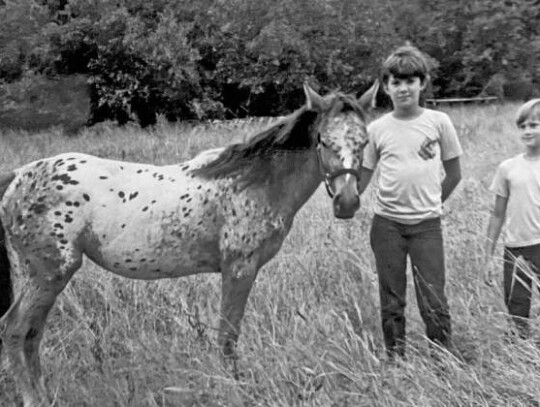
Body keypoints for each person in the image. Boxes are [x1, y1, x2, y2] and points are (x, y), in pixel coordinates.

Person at [357, 45, 463, 358]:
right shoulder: (376, 129)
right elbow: (361, 179)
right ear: (386, 88)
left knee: (433, 296)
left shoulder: (439, 122)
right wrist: (343, 197)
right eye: (395, 82)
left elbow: (455, 173)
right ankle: (396, 359)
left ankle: (442, 360)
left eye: (410, 81)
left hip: (427, 227)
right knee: (391, 298)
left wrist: (431, 204)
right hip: (386, 226)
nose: (403, 88)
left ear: (422, 83)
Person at [486, 98, 540, 339]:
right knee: (517, 311)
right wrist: (487, 256)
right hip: (516, 250)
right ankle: (522, 354)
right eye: (523, 126)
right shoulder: (508, 168)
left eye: (534, 125)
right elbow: (497, 214)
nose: (527, 131)